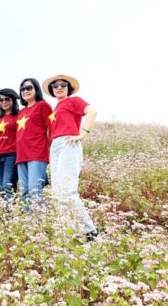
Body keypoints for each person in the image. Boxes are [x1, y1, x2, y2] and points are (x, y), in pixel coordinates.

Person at [42, 74, 99, 240]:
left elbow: (92, 112)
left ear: (69, 88)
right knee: (57, 192)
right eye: (55, 86)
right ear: (52, 90)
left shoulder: (73, 101)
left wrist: (83, 133)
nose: (59, 87)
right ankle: (69, 231)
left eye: (63, 85)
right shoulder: (54, 109)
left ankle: (90, 231)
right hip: (55, 147)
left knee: (68, 190)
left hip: (68, 143)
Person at [16, 77, 52, 209]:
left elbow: (50, 128)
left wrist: (52, 151)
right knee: (24, 191)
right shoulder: (21, 111)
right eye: (22, 89)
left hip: (37, 153)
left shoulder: (43, 105)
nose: (25, 91)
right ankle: (29, 224)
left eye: (29, 88)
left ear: (36, 89)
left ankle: (39, 224)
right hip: (21, 155)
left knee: (34, 189)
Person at [0, 88, 20, 202]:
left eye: (7, 99)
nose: (4, 102)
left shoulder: (18, 116)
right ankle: (7, 214)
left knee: (8, 185)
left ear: (13, 100)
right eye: (1, 100)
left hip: (12, 154)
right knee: (2, 187)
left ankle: (11, 215)